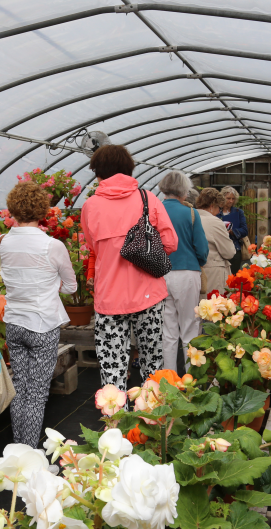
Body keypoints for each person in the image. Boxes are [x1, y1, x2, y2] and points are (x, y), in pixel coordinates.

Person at [80, 145, 178, 392]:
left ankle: (115, 423)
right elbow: (170, 242)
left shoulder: (91, 206)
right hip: (149, 295)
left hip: (109, 298)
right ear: (128, 169)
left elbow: (94, 247)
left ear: (99, 173)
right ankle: (152, 422)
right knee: (152, 362)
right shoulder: (147, 198)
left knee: (112, 366)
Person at [0, 181, 77, 447]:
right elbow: (70, 287)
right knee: (36, 394)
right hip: (43, 324)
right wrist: (47, 284)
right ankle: (29, 452)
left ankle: (17, 448)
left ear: (12, 209)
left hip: (14, 322)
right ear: (43, 210)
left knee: (19, 389)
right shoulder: (52, 246)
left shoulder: (3, 243)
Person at [158, 171, 208, 373]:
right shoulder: (191, 213)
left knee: (167, 332)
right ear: (183, 190)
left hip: (160, 274)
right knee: (189, 328)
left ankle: (169, 381)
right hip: (187, 272)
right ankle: (191, 379)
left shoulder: (155, 211)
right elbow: (202, 249)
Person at [196, 188, 236, 295]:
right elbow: (229, 252)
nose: (219, 211)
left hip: (194, 273)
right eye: (219, 207)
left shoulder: (190, 217)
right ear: (212, 206)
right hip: (212, 274)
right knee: (213, 308)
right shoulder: (215, 222)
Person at [218, 186, 249, 274]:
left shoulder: (239, 212)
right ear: (222, 198)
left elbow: (245, 230)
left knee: (233, 275)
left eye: (233, 199)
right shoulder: (216, 212)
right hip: (220, 248)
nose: (231, 201)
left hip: (235, 248)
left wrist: (232, 232)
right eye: (228, 198)